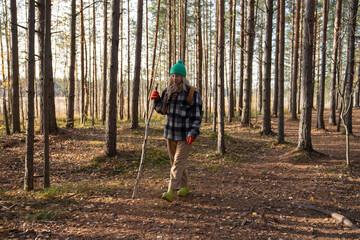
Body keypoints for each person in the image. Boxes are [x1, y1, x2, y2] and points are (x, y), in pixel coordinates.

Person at [151, 59, 203, 202]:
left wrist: (193, 133)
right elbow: (162, 110)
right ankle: (184, 187)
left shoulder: (192, 93)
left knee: (177, 163)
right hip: (170, 133)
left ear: (183, 77)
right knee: (175, 162)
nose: (175, 78)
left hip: (186, 136)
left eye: (178, 76)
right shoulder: (167, 91)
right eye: (173, 75)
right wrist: (156, 101)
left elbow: (197, 117)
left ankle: (170, 191)